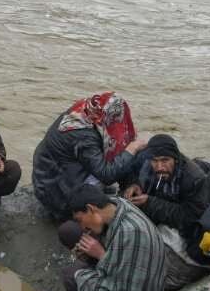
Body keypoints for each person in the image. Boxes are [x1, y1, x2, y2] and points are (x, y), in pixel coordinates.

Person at [32, 92, 146, 220]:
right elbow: (106, 175)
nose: (118, 124)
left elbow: (118, 147)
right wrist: (132, 148)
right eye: (116, 120)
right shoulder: (83, 134)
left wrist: (131, 182)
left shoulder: (88, 111)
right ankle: (72, 213)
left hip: (64, 173)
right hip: (55, 188)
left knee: (122, 152)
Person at [60, 185, 166, 291]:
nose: (82, 227)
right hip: (127, 270)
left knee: (70, 275)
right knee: (68, 231)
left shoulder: (127, 234)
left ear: (90, 208)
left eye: (80, 220)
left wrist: (101, 256)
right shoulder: (116, 203)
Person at [123, 134, 210, 239]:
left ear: (175, 159)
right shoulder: (147, 162)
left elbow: (190, 218)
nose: (159, 167)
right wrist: (134, 184)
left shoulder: (194, 179)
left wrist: (149, 203)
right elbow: (130, 171)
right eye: (155, 161)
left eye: (165, 160)